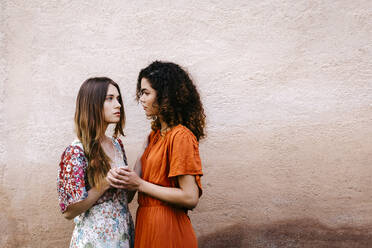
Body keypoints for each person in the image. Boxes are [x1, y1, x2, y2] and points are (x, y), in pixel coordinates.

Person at [107, 61, 206, 248]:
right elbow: (131, 191)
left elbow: (190, 197)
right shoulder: (154, 136)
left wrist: (140, 184)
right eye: (141, 93)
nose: (141, 99)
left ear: (165, 96)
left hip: (168, 230)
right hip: (147, 226)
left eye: (146, 93)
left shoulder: (180, 136)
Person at [57, 77, 134, 248]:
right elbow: (69, 212)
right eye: (110, 98)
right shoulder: (76, 151)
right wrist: (105, 183)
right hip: (95, 240)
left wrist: (134, 181)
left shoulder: (117, 145)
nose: (118, 104)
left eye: (118, 98)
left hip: (123, 235)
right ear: (93, 103)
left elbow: (124, 199)